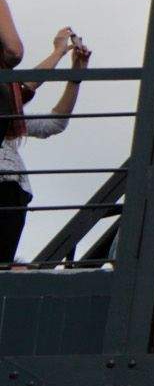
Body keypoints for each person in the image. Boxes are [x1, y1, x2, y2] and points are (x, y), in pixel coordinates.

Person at [0, 28, 90, 262]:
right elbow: (24, 88)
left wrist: (75, 78)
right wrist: (58, 53)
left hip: (12, 191)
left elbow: (55, 123)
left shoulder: (10, 117)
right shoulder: (8, 104)